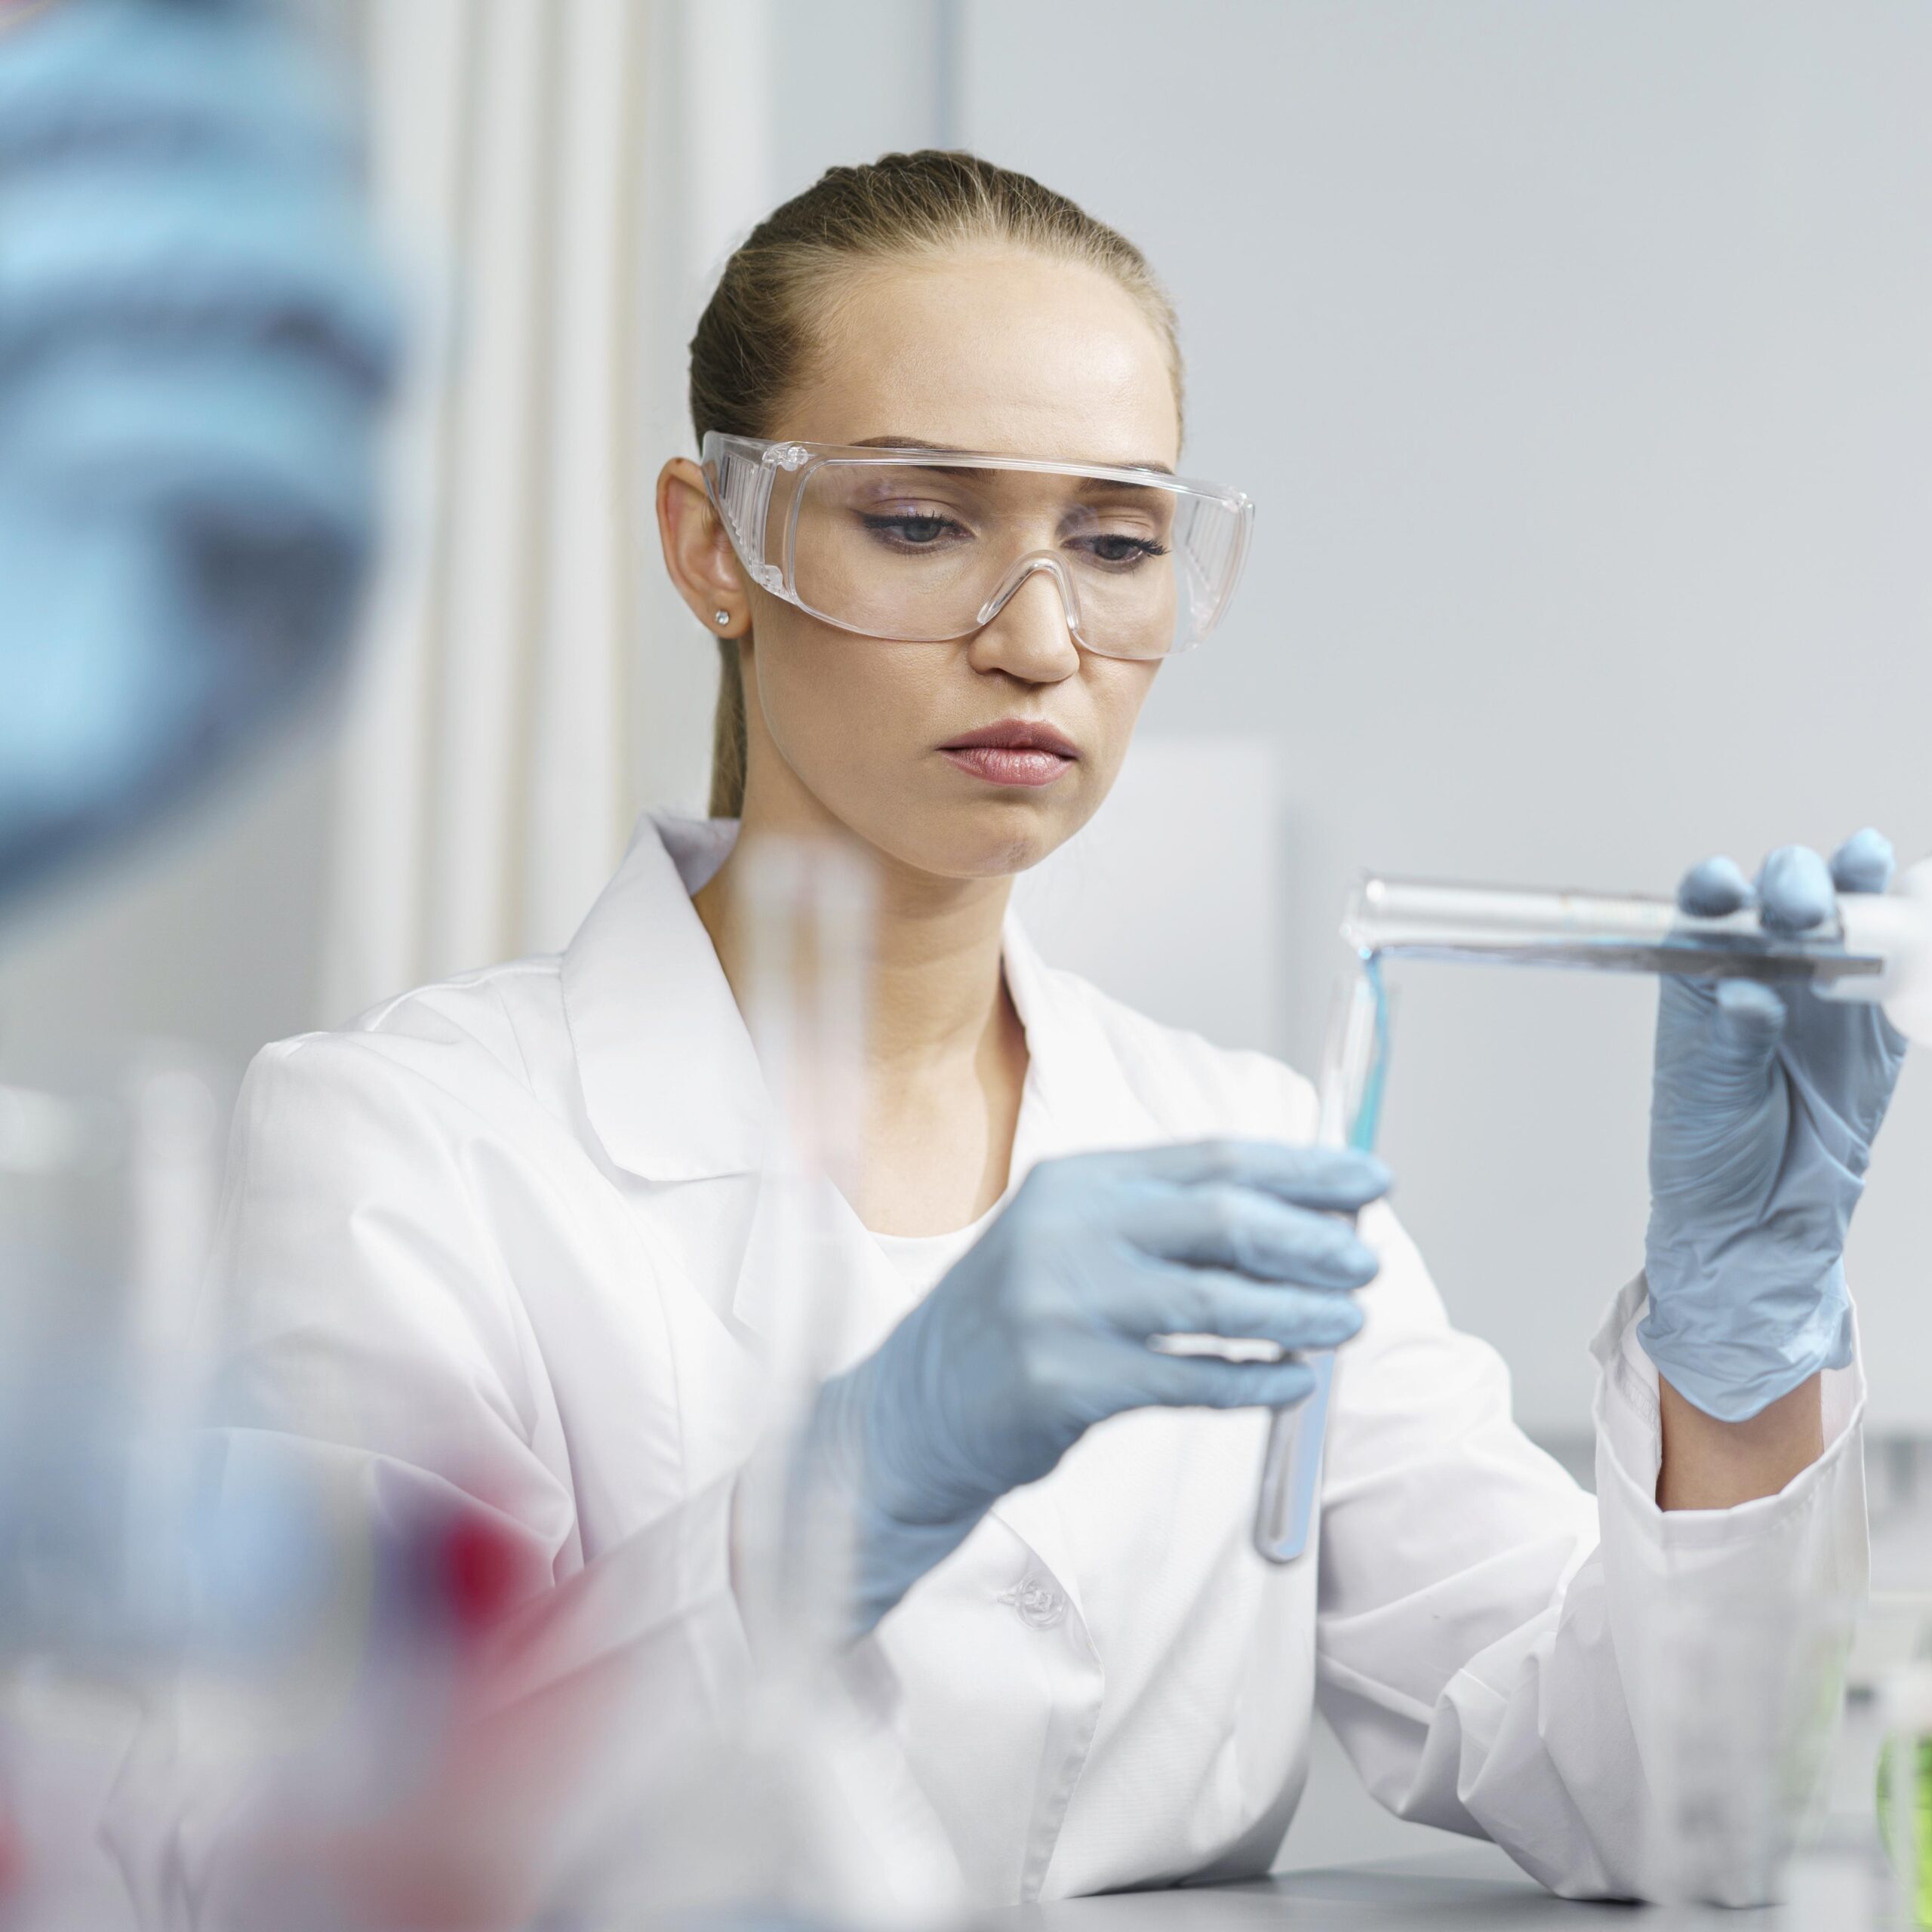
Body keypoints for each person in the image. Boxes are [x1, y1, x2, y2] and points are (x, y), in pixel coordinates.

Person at [131, 152, 1900, 1912]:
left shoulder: (1246, 1144)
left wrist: (1736, 1348)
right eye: (920, 523)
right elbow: (290, 1858)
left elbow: (1658, 1799)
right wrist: (859, 1476)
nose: (1040, 637)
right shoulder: (408, 1143)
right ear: (714, 546)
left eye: (1115, 542)